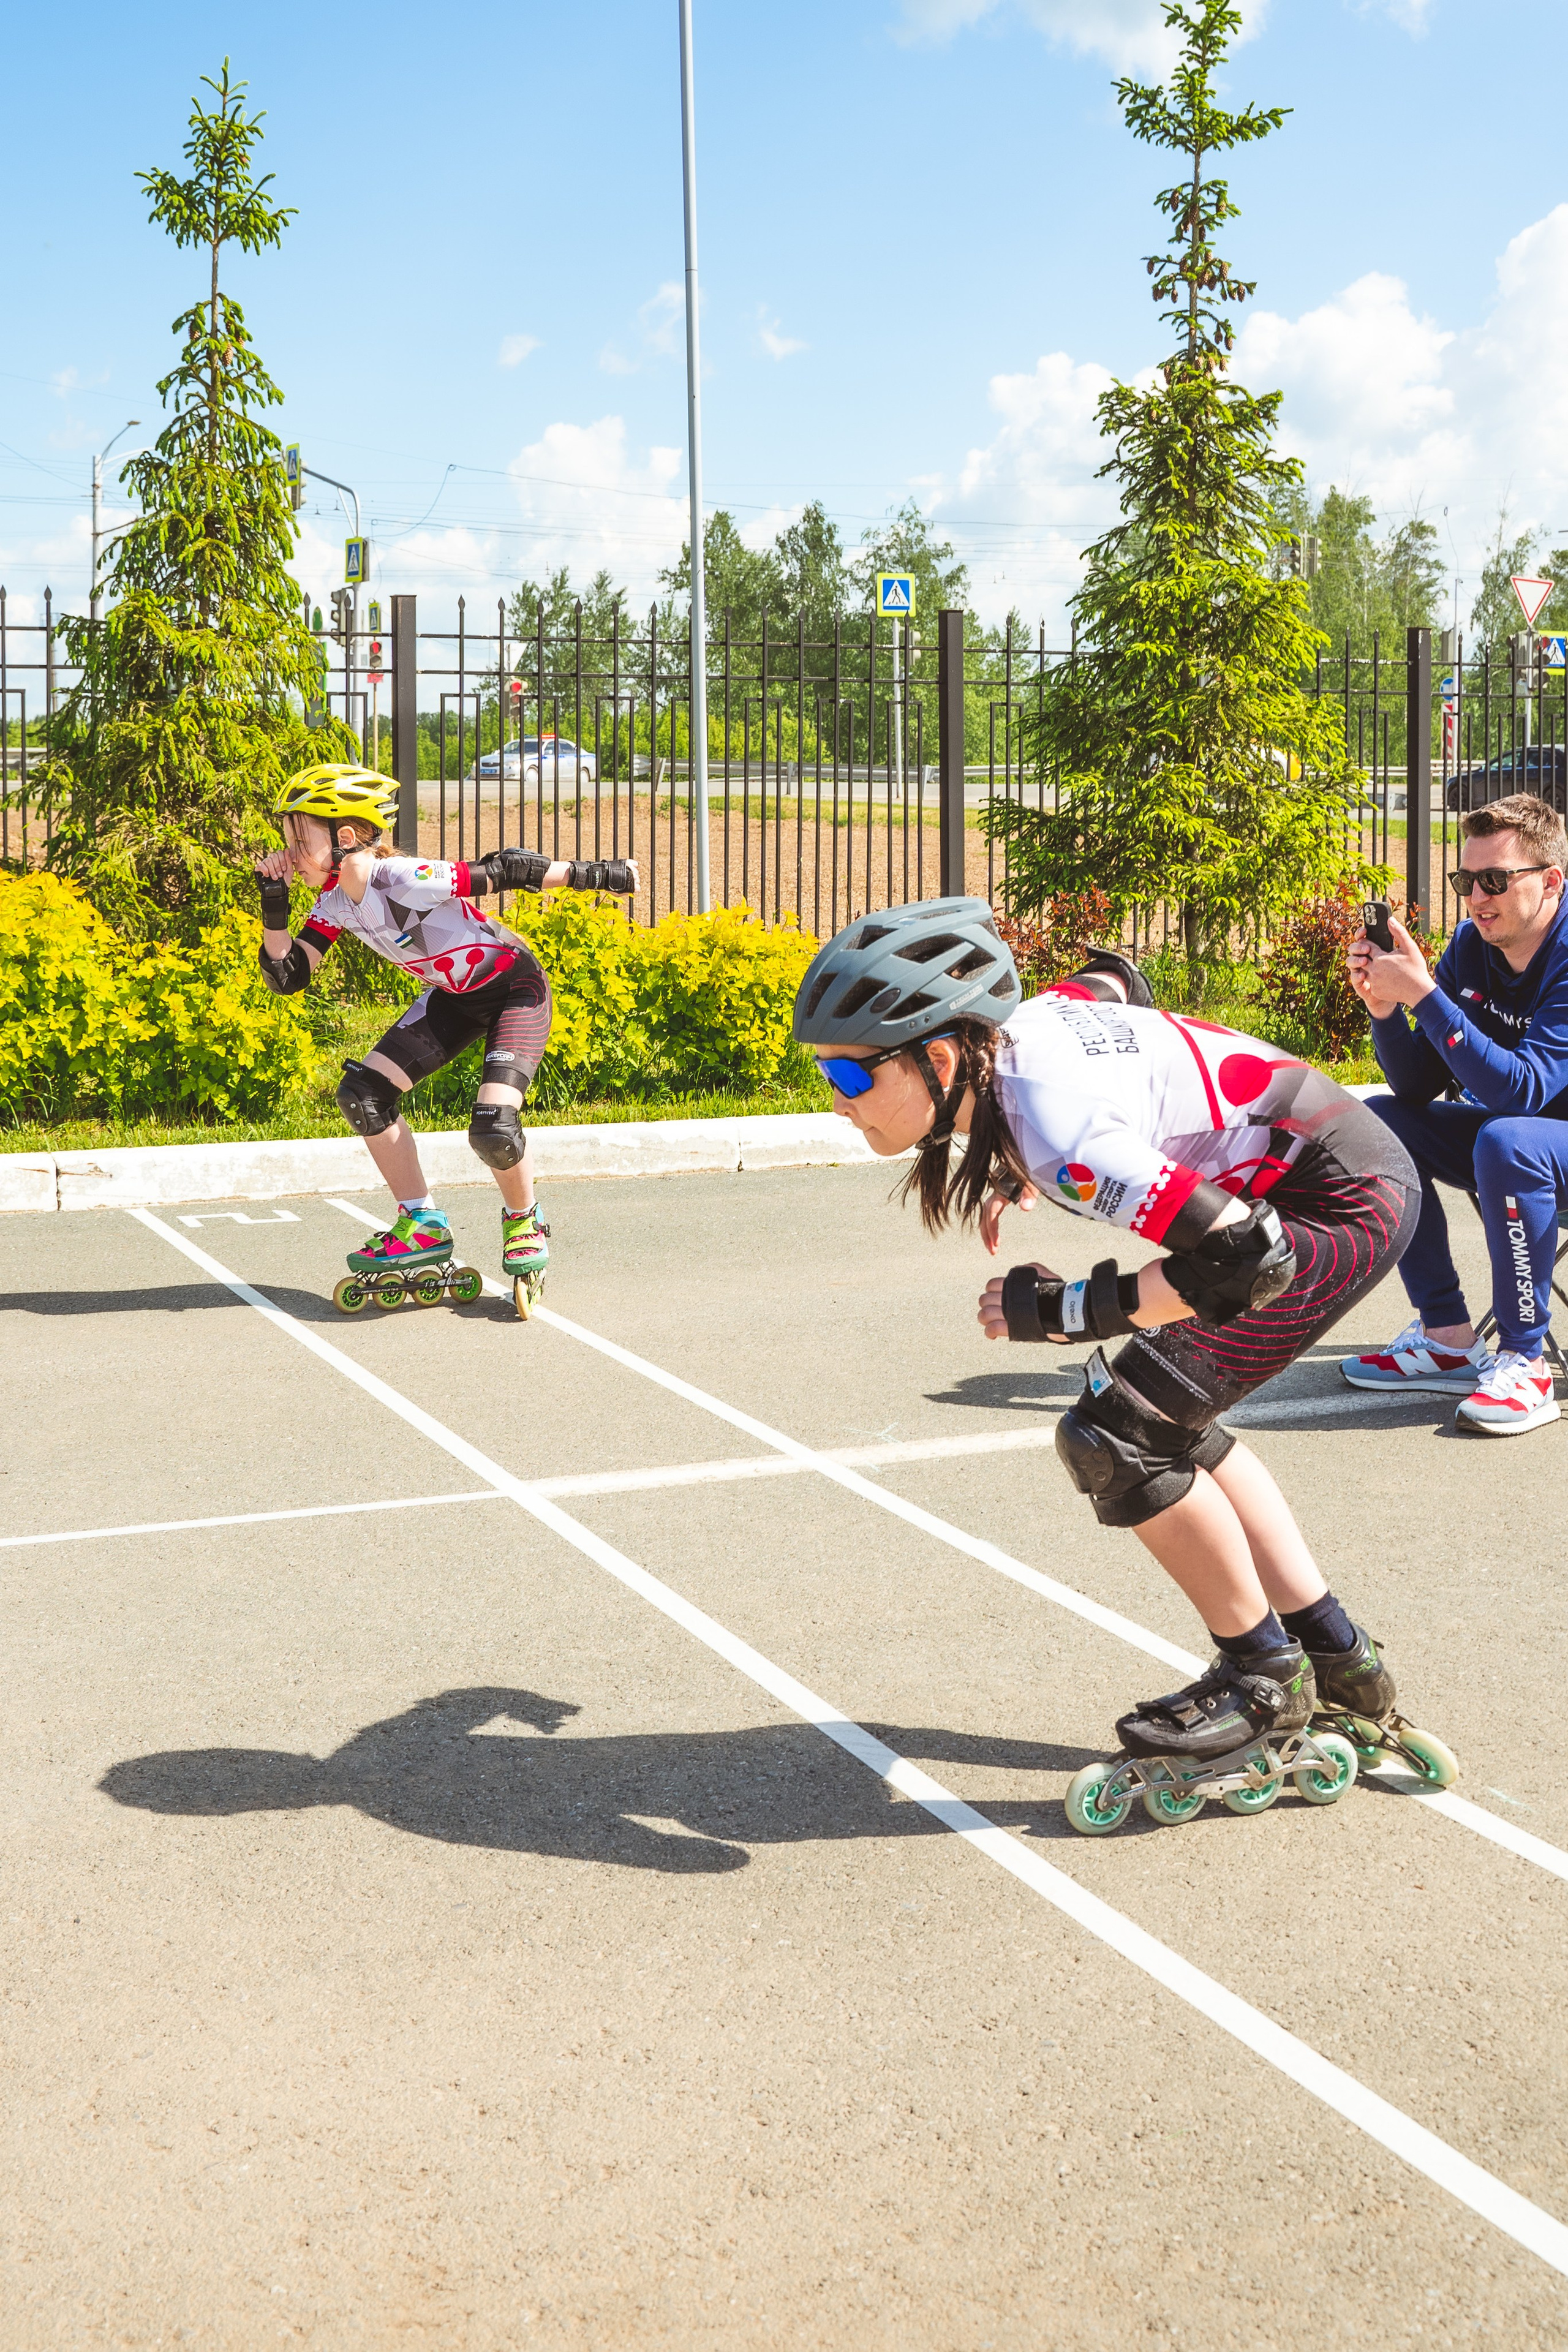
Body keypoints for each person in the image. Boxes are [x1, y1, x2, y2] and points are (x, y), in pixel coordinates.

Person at [794, 895, 1436, 1804]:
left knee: (1118, 1436)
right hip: (1325, 1163)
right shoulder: (1017, 1030)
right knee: (1176, 1417)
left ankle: (1263, 1681)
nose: (835, 1101)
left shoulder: (1060, 1130)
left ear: (941, 1057)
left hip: (1335, 1205)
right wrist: (1016, 1164)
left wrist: (1069, 1309)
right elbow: (1114, 981)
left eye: (851, 1079)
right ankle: (1337, 1656)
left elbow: (1243, 1263)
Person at [252, 764, 638, 1295]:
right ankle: (422, 1223)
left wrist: (596, 874)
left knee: (492, 1127)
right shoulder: (335, 903)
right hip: (456, 999)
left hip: (513, 990)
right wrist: (275, 905)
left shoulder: (403, 879)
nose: (289, 851)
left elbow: (504, 871)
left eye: (299, 837)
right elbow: (290, 976)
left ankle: (524, 1218)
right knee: (363, 1094)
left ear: (344, 839)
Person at [1342, 791, 1568, 1435]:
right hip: (1522, 1139)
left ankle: (1526, 1363)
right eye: (1464, 880)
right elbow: (1415, 1084)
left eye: (1495, 880)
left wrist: (1424, 995)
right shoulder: (1472, 944)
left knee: (1507, 1138)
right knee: (1378, 1121)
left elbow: (1521, 1091)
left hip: (1531, 1140)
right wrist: (1385, 1009)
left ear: (1550, 882)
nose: (1476, 897)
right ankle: (1446, 1337)